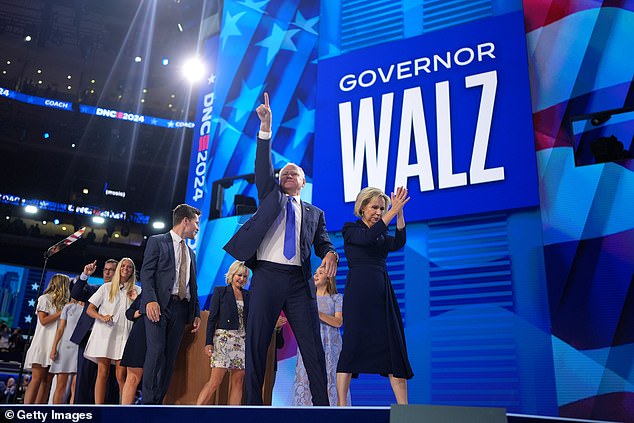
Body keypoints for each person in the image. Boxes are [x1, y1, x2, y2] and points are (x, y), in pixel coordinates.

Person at [224, 92, 338, 405]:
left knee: (313, 347)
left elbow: (324, 242)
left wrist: (330, 253)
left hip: (299, 283)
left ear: (303, 182)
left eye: (294, 172)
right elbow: (264, 165)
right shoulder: (270, 196)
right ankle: (252, 408)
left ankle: (322, 408)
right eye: (283, 172)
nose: (287, 174)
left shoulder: (315, 213)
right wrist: (266, 127)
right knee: (257, 345)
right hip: (268, 277)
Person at [336, 186, 413, 405]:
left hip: (382, 296)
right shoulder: (350, 229)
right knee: (351, 347)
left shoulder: (381, 235)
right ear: (362, 208)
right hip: (359, 296)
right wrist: (391, 212)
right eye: (374, 207)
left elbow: (398, 242)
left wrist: (399, 213)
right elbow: (367, 237)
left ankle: (404, 409)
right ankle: (341, 406)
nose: (379, 211)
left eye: (382, 208)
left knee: (393, 348)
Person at [141, 204, 201, 405]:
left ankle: (157, 402)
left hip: (181, 309)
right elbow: (146, 274)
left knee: (169, 358)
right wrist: (150, 299)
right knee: (156, 351)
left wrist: (196, 314)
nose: (198, 228)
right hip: (158, 306)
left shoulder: (191, 254)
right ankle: (147, 402)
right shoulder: (157, 242)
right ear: (186, 221)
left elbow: (193, 285)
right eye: (196, 223)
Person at [84, 258, 140, 403]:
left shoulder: (137, 290)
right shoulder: (106, 288)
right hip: (105, 333)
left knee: (121, 374)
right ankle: (99, 408)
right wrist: (101, 317)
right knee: (103, 372)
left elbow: (140, 312)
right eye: (123, 266)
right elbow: (90, 310)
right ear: (119, 268)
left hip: (124, 335)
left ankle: (125, 409)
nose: (126, 269)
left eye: (129, 267)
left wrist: (136, 301)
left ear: (132, 271)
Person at [293, 266, 349, 406]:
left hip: (330, 344)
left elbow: (338, 322)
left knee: (331, 374)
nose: (316, 276)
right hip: (311, 340)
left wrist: (317, 314)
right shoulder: (306, 298)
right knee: (308, 374)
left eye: (321, 273)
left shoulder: (336, 298)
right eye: (315, 273)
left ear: (329, 277)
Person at [196, 260, 250, 405]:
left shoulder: (248, 295)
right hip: (223, 340)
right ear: (232, 275)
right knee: (215, 381)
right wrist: (208, 343)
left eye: (245, 276)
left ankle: (233, 417)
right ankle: (194, 412)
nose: (242, 279)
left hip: (242, 341)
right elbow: (212, 319)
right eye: (239, 275)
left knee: (238, 381)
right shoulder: (220, 291)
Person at [69, 259, 119, 404]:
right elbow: (76, 293)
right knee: (83, 380)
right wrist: (85, 275)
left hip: (109, 341)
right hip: (88, 338)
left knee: (107, 381)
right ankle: (80, 414)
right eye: (105, 269)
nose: (107, 272)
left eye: (111, 270)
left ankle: (104, 415)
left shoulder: (122, 294)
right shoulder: (94, 289)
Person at [23, 273, 70, 404]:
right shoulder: (45, 298)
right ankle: (27, 410)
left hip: (55, 345)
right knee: (37, 378)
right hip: (42, 343)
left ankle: (39, 411)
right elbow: (43, 320)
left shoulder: (65, 304)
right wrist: (61, 312)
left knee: (47, 381)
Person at [49, 298, 83, 404]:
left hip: (80, 348)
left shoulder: (90, 309)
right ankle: (55, 414)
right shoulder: (68, 307)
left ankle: (72, 414)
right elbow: (60, 329)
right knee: (61, 385)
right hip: (65, 348)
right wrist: (54, 347)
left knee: (75, 387)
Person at [120, 294, 145, 405]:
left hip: (159, 336)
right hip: (139, 334)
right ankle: (124, 414)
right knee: (133, 377)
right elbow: (129, 312)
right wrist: (140, 312)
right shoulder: (145, 292)